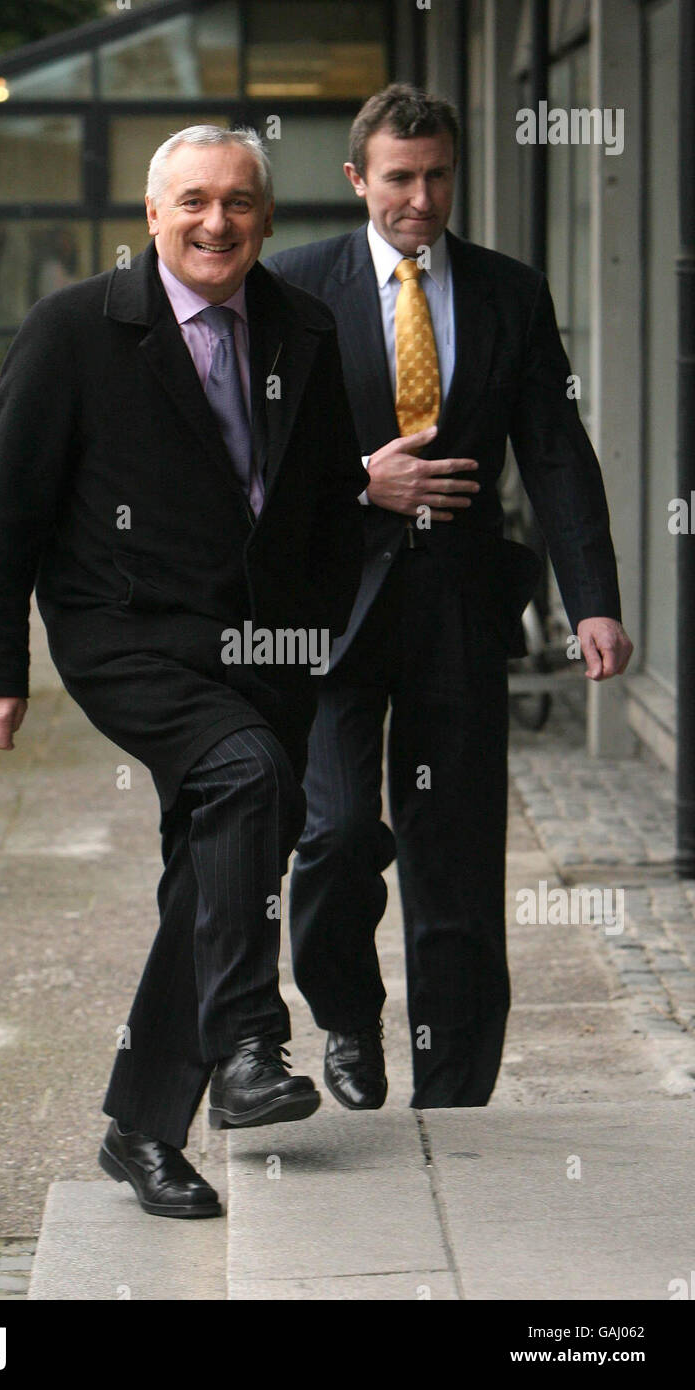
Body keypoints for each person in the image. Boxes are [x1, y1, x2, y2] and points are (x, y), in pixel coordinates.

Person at [0, 126, 367, 1219]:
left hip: (264, 647)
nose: (215, 222)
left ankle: (140, 1129)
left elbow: (323, 503)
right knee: (246, 779)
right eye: (192, 201)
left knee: (217, 866)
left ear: (266, 219)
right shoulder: (76, 329)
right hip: (124, 632)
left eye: (237, 202)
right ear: (151, 214)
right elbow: (3, 504)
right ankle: (247, 1044)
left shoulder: (303, 328)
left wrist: (310, 636)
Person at [266, 85, 633, 1112]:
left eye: (437, 177)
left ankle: (456, 1099)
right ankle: (346, 1013)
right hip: (330, 616)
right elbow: (252, 460)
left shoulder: (511, 291)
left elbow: (556, 451)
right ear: (357, 180)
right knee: (334, 838)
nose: (420, 198)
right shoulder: (293, 288)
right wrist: (358, 482)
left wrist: (592, 596)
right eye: (399, 177)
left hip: (459, 615)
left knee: (458, 865)